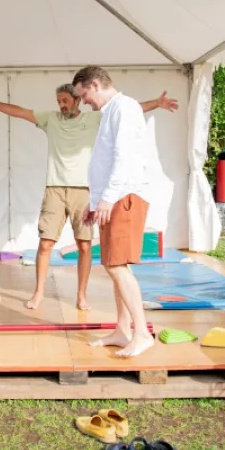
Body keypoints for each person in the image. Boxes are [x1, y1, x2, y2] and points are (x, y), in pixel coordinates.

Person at [0, 85, 177, 311]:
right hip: (55, 189)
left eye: (65, 100)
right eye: (58, 100)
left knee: (85, 245)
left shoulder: (94, 119)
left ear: (77, 100)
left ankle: (81, 295)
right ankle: (39, 292)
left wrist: (156, 103)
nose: (61, 104)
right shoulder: (50, 119)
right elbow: (19, 111)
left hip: (84, 190)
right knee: (45, 244)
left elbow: (130, 110)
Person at [72, 65, 154, 358]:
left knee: (118, 265)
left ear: (94, 84)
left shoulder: (125, 108)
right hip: (114, 197)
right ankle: (123, 329)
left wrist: (106, 199)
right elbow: (105, 162)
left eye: (83, 95)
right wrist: (96, 205)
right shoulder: (112, 112)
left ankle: (142, 333)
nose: (83, 102)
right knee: (114, 264)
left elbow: (123, 158)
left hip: (125, 196)